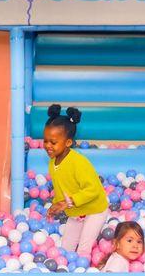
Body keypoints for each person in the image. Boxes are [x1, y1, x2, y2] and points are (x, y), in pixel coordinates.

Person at [43, 104, 108, 258]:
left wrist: (68, 202)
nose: (47, 146)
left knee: (83, 251)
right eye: (45, 141)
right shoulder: (53, 163)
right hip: (76, 212)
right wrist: (56, 204)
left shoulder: (78, 162)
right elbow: (62, 189)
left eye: (53, 142)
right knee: (65, 251)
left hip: (95, 210)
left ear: (68, 143)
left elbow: (93, 189)